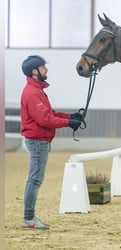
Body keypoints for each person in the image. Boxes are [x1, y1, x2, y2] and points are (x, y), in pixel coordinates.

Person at [20, 55, 82, 229]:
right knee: (35, 180)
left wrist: (69, 116)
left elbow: (50, 112)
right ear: (35, 71)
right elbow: (45, 119)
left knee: (35, 179)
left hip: (39, 140)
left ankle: (29, 217)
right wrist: (68, 123)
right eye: (43, 67)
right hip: (38, 141)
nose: (46, 70)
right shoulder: (32, 92)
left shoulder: (37, 90)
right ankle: (28, 218)